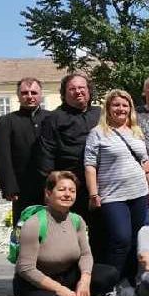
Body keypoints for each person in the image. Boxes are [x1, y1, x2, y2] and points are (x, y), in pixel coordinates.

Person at [0, 171, 119, 296]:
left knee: (109, 274)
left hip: (65, 276)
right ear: (48, 193)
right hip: (34, 284)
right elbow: (26, 269)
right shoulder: (34, 223)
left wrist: (84, 281)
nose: (67, 194)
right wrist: (60, 290)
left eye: (72, 191)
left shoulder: (77, 220)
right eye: (62, 190)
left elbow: (85, 254)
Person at [84, 90, 149, 296]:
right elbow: (90, 164)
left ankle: (131, 285)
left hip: (139, 193)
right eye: (116, 105)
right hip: (113, 196)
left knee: (137, 241)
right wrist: (93, 193)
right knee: (120, 240)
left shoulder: (135, 131)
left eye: (125, 105)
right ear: (108, 108)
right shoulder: (98, 133)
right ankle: (109, 288)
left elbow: (144, 162)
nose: (121, 109)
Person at [37, 74, 103, 255]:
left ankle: (98, 272)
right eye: (72, 89)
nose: (78, 92)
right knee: (69, 233)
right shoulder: (54, 119)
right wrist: (51, 188)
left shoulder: (101, 115)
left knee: (102, 232)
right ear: (64, 94)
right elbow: (46, 153)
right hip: (70, 186)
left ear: (89, 91)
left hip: (102, 184)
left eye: (82, 87)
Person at [0, 77, 51, 223]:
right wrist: (9, 187)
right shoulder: (5, 123)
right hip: (23, 188)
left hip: (52, 186)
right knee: (24, 232)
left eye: (34, 92)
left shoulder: (52, 118)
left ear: (40, 94)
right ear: (18, 96)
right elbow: (2, 157)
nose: (30, 96)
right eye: (25, 93)